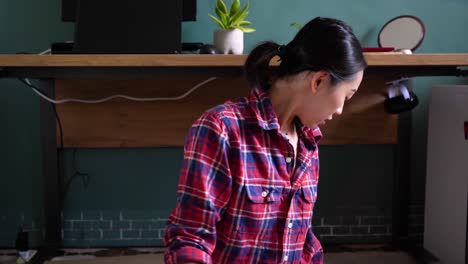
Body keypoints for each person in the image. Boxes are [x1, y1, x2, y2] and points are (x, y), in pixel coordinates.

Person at [164, 17, 367, 264]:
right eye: (347, 95)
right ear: (320, 80)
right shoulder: (222, 129)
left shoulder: (308, 142)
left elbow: (301, 239)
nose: (340, 111)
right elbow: (191, 238)